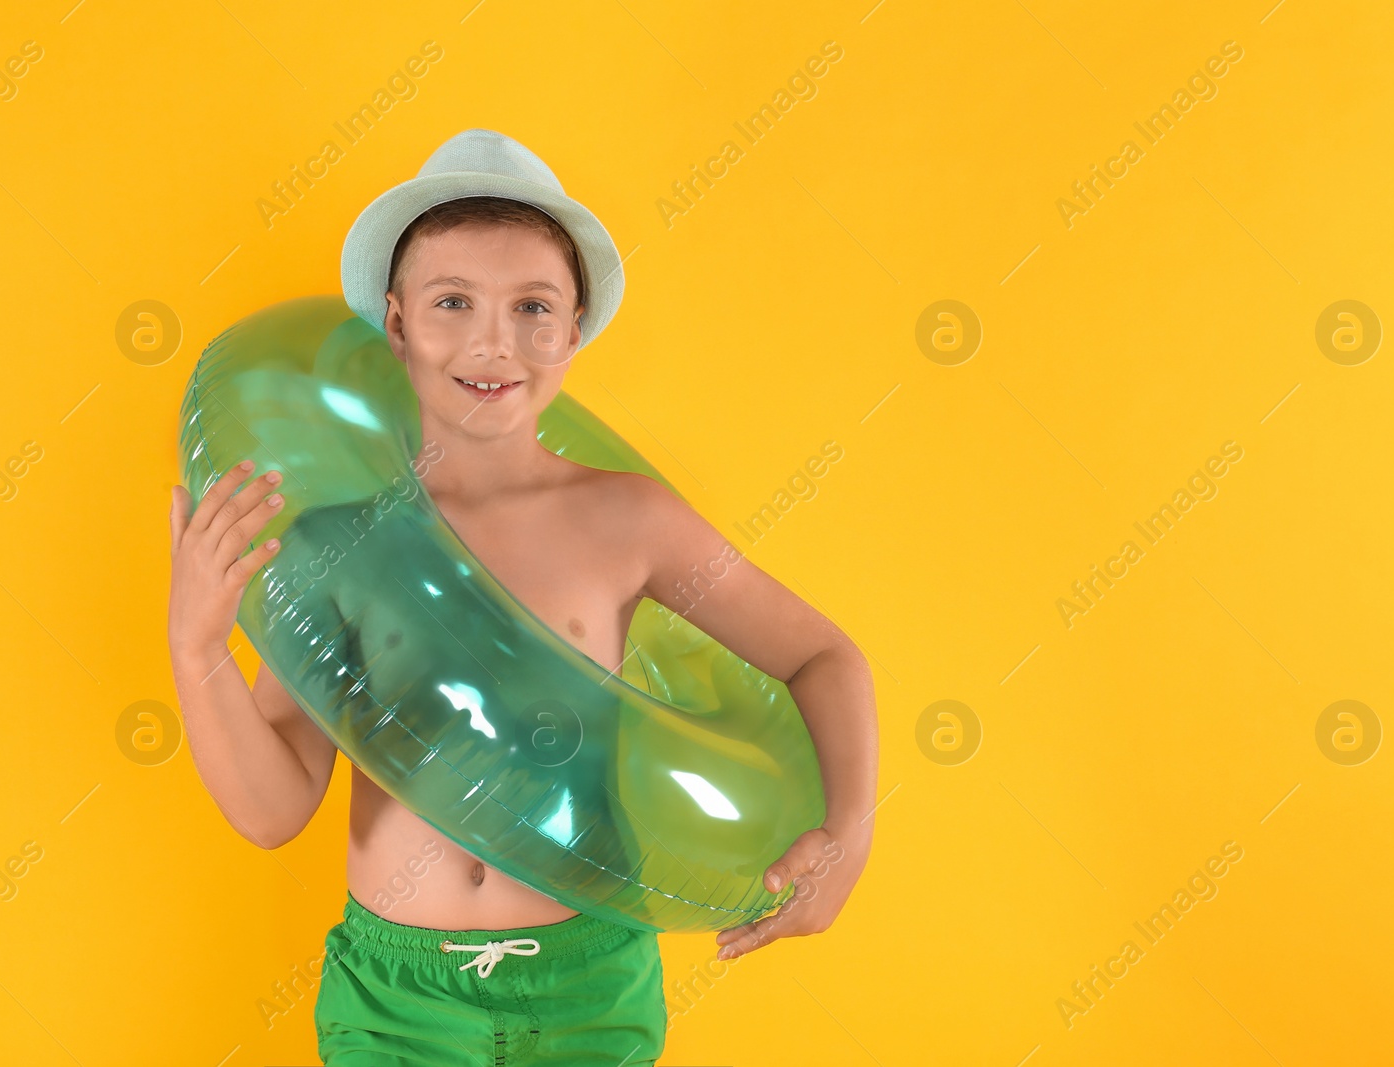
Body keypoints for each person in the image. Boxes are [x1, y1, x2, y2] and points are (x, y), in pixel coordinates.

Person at [167, 128, 878, 1065]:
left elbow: (823, 657)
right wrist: (198, 646)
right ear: (396, 324)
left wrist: (848, 837)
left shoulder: (628, 521)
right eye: (452, 302)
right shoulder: (339, 540)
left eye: (533, 308)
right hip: (397, 996)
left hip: (589, 980)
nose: (494, 342)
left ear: (574, 330)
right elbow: (273, 810)